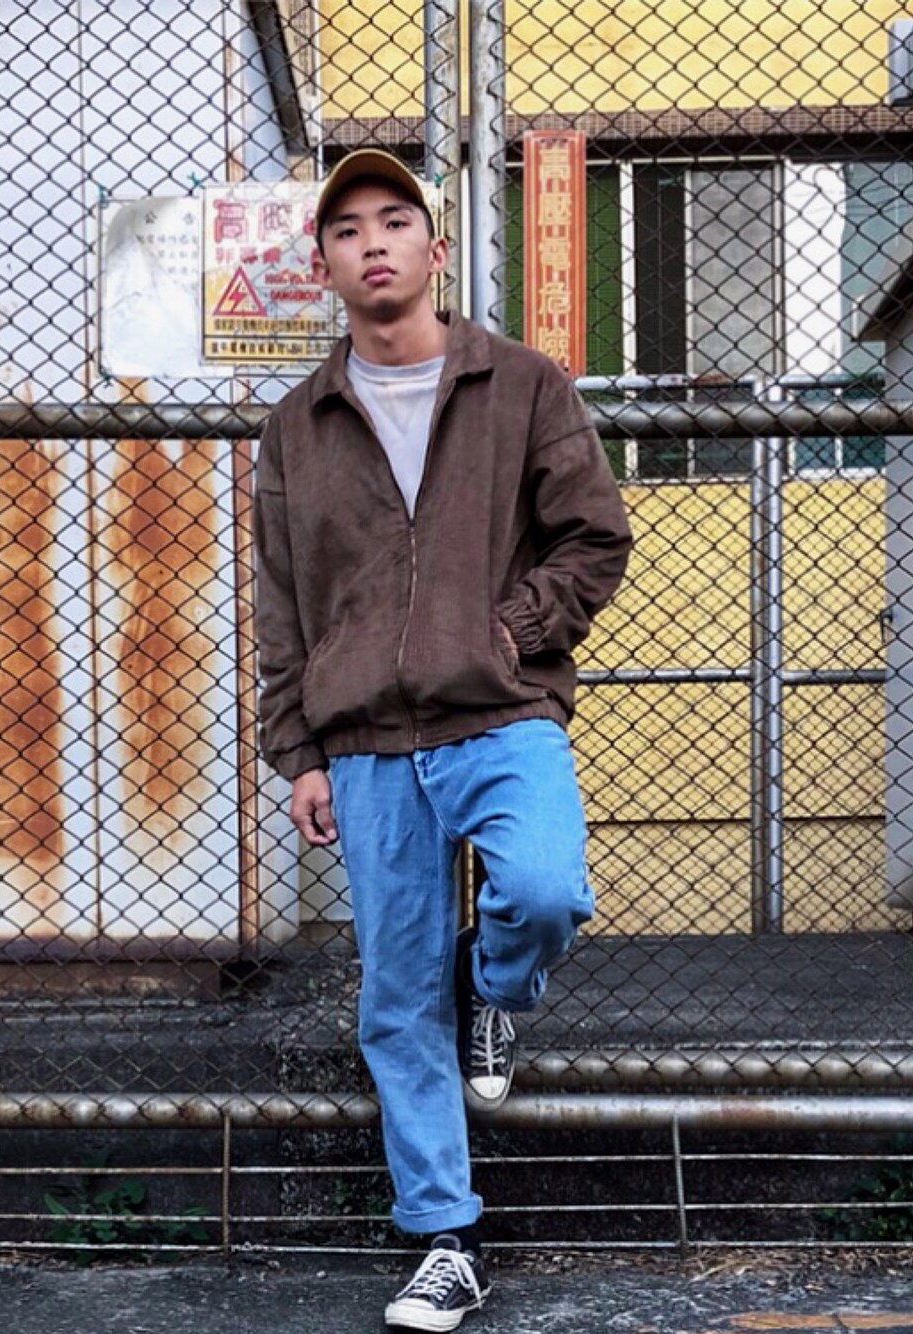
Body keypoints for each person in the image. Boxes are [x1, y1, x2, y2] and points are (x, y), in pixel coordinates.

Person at [254, 147, 632, 1331]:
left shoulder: (522, 384)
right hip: (364, 741)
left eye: (392, 220)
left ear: (435, 248)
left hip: (498, 711)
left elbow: (593, 535)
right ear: (324, 265)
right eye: (346, 228)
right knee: (393, 997)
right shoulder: (296, 424)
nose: (371, 241)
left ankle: (493, 982)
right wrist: (298, 751)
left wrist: (510, 630)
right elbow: (281, 603)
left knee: (542, 888)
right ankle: (444, 1236)